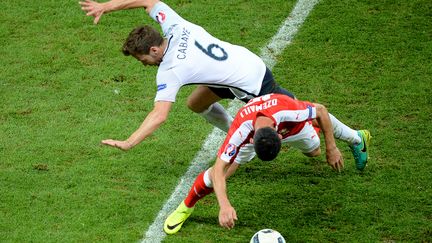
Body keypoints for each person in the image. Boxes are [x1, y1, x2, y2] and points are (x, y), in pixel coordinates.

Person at [79, 0, 296, 150]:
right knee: (195, 103)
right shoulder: (175, 25)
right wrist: (105, 7)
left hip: (250, 81)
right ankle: (237, 134)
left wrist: (129, 142)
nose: (143, 65)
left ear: (153, 50)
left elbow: (159, 115)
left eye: (141, 59)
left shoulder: (170, 70)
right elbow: (148, 1)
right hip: (240, 61)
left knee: (296, 123)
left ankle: (327, 130)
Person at [163, 93, 371, 234]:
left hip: (289, 123)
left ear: (279, 137)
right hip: (260, 128)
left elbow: (322, 110)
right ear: (252, 141)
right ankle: (185, 207)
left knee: (315, 151)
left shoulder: (289, 111)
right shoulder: (240, 133)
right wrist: (224, 205)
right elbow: (218, 169)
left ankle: (355, 137)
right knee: (225, 173)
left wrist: (331, 148)